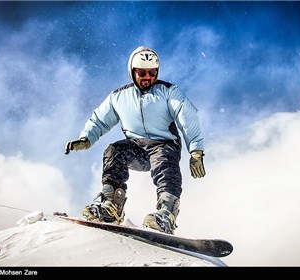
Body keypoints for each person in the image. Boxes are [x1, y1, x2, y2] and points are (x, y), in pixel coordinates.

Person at [65, 46, 205, 234]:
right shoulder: (119, 97)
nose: (147, 77)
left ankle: (166, 213)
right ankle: (111, 206)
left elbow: (187, 117)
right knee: (114, 151)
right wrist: (86, 138)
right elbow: (99, 119)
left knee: (164, 162)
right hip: (136, 148)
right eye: (142, 72)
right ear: (132, 72)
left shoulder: (168, 91)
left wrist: (195, 151)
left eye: (152, 73)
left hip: (164, 144)